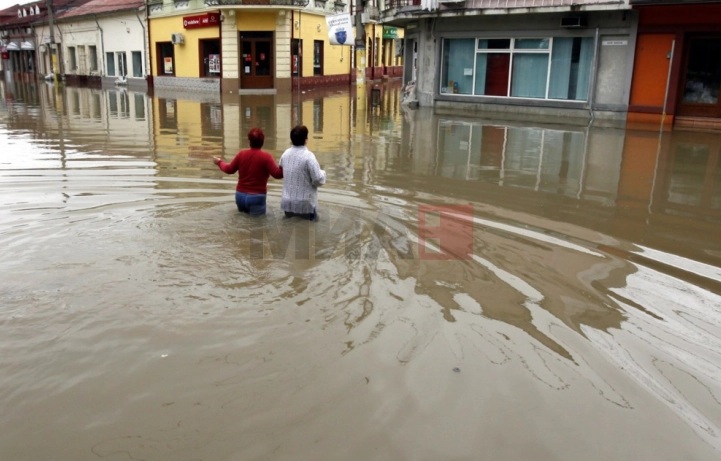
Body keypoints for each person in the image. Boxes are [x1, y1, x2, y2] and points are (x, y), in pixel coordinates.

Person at [212, 127, 283, 216]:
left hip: (240, 196)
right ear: (263, 141)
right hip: (256, 198)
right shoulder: (266, 157)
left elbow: (229, 169)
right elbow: (278, 174)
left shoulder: (241, 154)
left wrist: (219, 162)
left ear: (249, 141)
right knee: (257, 227)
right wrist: (287, 164)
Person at [278, 125, 326, 221]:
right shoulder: (309, 157)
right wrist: (323, 173)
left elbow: (281, 168)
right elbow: (317, 180)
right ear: (306, 139)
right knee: (309, 233)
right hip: (305, 205)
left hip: (288, 204)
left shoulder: (285, 154)